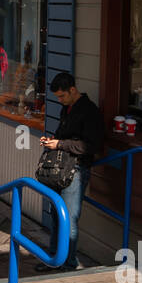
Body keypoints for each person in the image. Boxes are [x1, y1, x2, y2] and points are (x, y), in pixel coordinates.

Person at [37, 72, 106, 272]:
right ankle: (55, 259)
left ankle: (68, 263)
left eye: (62, 96)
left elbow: (90, 146)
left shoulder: (90, 112)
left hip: (76, 169)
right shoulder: (67, 108)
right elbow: (64, 136)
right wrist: (53, 141)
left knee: (68, 217)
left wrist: (60, 143)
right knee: (58, 215)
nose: (60, 100)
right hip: (62, 168)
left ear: (72, 90)